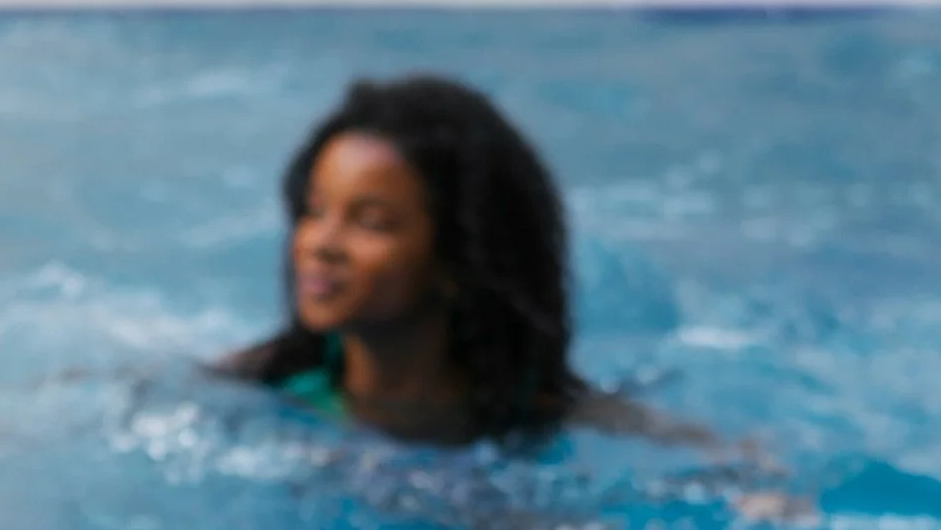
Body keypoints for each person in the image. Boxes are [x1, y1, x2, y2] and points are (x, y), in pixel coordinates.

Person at [218, 73, 702, 448]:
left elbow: (717, 460)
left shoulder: (543, 420)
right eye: (314, 210)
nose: (320, 244)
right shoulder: (258, 394)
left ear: (457, 259)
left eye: (371, 222)